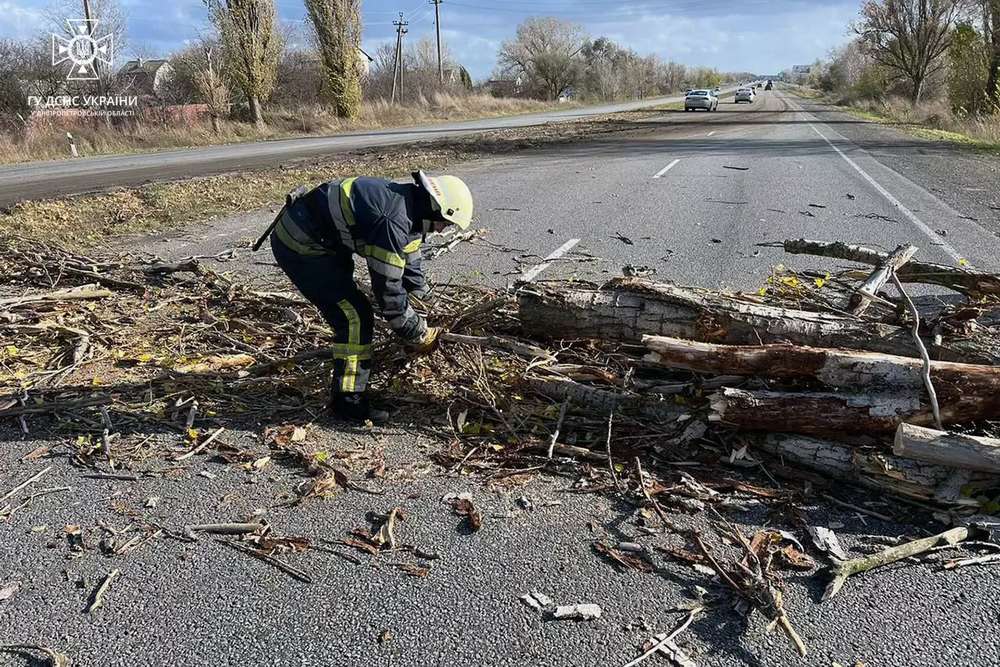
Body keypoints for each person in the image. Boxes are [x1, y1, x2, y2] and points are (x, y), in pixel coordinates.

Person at [267, 171, 473, 423]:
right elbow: (388, 291)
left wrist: (423, 295)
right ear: (436, 208)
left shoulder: (409, 204)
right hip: (301, 247)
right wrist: (417, 332)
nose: (443, 229)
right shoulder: (392, 221)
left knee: (351, 303)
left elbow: (409, 253)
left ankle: (350, 394)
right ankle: (348, 402)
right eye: (445, 223)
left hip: (324, 240)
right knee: (355, 317)